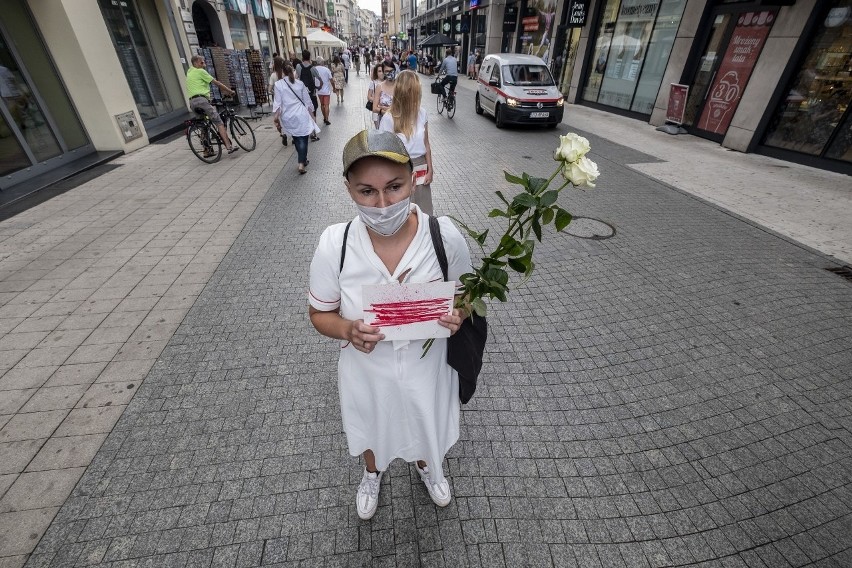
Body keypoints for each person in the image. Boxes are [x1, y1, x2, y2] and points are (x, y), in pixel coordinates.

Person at [308, 129, 470, 520]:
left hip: (426, 367)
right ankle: (371, 473)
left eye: (394, 187)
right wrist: (348, 330)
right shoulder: (336, 244)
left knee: (423, 418)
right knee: (371, 422)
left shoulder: (443, 236)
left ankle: (427, 464)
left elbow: (467, 294)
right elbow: (319, 314)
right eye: (366, 191)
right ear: (348, 189)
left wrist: (459, 314)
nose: (382, 204)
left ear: (414, 178)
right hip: (367, 369)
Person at [379, 70, 434, 215]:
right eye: (415, 93)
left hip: (420, 167)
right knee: (402, 214)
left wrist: (430, 169)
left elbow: (426, 144)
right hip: (398, 168)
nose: (418, 97)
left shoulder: (422, 113)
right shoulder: (389, 118)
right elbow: (383, 153)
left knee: (423, 213)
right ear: (405, 93)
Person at [185, 54, 238, 154]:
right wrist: (230, 91)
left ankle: (207, 150)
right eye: (202, 62)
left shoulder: (189, 72)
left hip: (192, 103)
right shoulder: (200, 71)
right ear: (196, 63)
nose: (204, 65)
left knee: (203, 125)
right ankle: (229, 146)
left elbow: (197, 86)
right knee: (219, 123)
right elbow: (216, 83)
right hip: (201, 100)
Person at [272, 62, 316, 174]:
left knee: (297, 138)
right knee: (304, 138)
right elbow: (307, 101)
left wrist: (276, 117)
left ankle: (303, 159)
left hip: (288, 116)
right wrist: (312, 115)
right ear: (293, 71)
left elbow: (278, 103)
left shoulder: (278, 85)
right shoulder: (300, 84)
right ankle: (301, 163)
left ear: (283, 72)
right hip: (301, 115)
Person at [296, 50, 323, 141]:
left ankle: (303, 132)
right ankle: (313, 134)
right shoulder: (313, 68)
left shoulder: (298, 67)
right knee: (313, 113)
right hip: (311, 94)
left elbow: (296, 79)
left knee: (303, 113)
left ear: (302, 57)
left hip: (301, 94)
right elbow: (320, 80)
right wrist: (318, 87)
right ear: (310, 57)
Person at [268, 56, 290, 146]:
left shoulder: (273, 75)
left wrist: (273, 91)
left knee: (278, 118)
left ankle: (282, 133)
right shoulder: (286, 74)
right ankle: (292, 135)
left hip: (278, 100)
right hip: (287, 99)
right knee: (288, 117)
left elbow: (269, 89)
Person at [372, 61, 396, 125]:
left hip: (397, 122)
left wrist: (386, 109)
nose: (390, 73)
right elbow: (374, 108)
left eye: (391, 70)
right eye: (387, 71)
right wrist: (383, 112)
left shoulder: (400, 86)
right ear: (383, 72)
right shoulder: (379, 87)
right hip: (383, 122)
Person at [314, 57, 333, 125]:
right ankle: (327, 119)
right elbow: (331, 79)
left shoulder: (314, 69)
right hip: (326, 91)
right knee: (327, 105)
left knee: (322, 104)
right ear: (322, 62)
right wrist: (334, 87)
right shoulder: (326, 69)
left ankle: (324, 117)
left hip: (319, 90)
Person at [367, 63, 385, 128]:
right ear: (376, 72)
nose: (381, 73)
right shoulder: (373, 82)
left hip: (385, 110)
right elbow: (369, 97)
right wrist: (377, 100)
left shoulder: (388, 82)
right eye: (379, 71)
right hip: (376, 110)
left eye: (383, 71)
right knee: (378, 129)